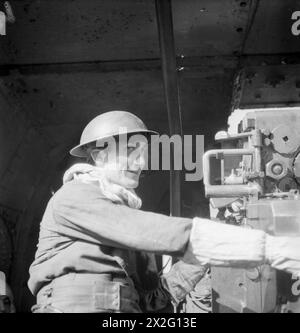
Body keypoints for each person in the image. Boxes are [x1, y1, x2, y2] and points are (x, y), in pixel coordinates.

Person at [28, 111, 300, 313]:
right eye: (132, 150)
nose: (142, 162)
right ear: (99, 155)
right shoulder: (75, 197)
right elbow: (159, 233)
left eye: (144, 152)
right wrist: (269, 248)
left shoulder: (123, 218)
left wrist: (203, 260)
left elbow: (154, 300)